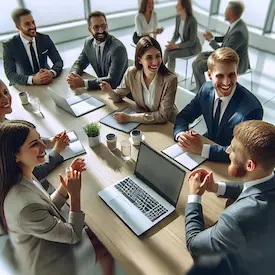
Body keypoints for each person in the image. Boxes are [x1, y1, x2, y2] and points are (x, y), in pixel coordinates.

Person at [0, 120, 114, 275]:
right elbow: (74, 235)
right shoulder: (25, 206)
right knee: (107, 239)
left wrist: (65, 186)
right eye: (34, 144)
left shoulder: (22, 174)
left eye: (40, 139)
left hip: (46, 243)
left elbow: (45, 207)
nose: (43, 147)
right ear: (15, 156)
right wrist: (75, 195)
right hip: (53, 264)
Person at [185, 120, 275, 275]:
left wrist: (194, 196)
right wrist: (217, 187)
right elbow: (253, 187)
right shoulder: (267, 174)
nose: (227, 151)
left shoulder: (234, 219)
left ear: (250, 166)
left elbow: (194, 244)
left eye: (233, 150)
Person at [174, 47, 263, 162]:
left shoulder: (252, 109)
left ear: (237, 73)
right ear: (210, 75)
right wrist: (181, 135)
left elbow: (242, 152)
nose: (226, 82)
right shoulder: (206, 89)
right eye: (220, 76)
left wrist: (202, 149)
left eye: (231, 75)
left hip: (230, 163)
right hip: (205, 149)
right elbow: (184, 116)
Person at [0, 79, 69, 181]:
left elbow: (20, 140)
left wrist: (50, 140)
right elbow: (33, 174)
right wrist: (56, 151)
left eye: (5, 92)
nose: (6, 98)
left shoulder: (3, 120)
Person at [100, 36, 178, 124]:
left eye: (157, 56)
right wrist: (109, 91)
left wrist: (130, 117)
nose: (155, 62)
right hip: (146, 121)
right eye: (149, 57)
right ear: (139, 60)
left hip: (169, 124)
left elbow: (163, 116)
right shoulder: (131, 73)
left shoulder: (170, 80)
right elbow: (119, 96)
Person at [192, 1, 249, 90]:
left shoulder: (238, 32)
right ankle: (201, 87)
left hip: (233, 62)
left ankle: (203, 91)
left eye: (226, 10)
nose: (224, 12)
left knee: (199, 66)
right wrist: (213, 37)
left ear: (232, 13)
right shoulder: (236, 24)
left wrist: (211, 41)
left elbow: (224, 53)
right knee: (200, 56)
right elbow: (226, 38)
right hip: (226, 55)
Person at [68, 11, 128, 91]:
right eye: (96, 27)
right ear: (90, 30)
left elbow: (113, 81)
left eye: (103, 26)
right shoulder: (88, 43)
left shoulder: (118, 49)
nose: (100, 30)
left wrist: (83, 83)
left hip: (119, 93)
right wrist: (73, 74)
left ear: (107, 26)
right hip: (102, 90)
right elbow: (79, 63)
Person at [3, 8, 63, 86]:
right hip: (24, 83)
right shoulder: (9, 45)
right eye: (27, 24)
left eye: (33, 22)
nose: (33, 26)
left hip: (46, 80)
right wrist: (32, 79)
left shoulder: (45, 39)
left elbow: (58, 61)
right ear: (18, 27)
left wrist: (51, 73)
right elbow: (10, 74)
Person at [163, 0, 202, 72]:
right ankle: (159, 70)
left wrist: (176, 46)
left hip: (193, 48)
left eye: (178, 5)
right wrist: (171, 44)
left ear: (184, 7)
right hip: (184, 44)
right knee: (167, 50)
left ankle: (170, 78)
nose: (176, 6)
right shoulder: (178, 17)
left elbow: (191, 42)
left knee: (171, 55)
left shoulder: (192, 21)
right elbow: (176, 34)